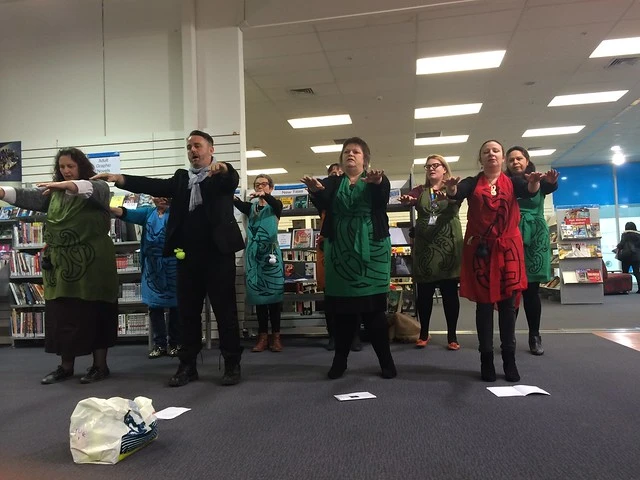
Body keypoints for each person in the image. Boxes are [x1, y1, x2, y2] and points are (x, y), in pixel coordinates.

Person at [92, 130, 245, 387]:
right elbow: (153, 185)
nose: (193, 151)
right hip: (186, 258)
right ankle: (187, 366)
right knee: (187, 315)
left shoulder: (219, 177)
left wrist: (225, 168)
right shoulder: (181, 178)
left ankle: (232, 364)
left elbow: (231, 180)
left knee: (225, 312)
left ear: (211, 149)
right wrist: (120, 178)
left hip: (218, 256)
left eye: (197, 146)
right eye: (189, 147)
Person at [0, 148, 118, 384]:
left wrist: (68, 185)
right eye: (62, 167)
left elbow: (86, 189)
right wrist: (2, 191)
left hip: (93, 265)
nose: (65, 171)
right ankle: (66, 367)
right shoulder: (54, 193)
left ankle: (99, 366)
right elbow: (28, 196)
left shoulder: (99, 188)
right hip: (61, 268)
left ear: (81, 167)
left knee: (96, 313)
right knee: (63, 314)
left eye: (70, 167)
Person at [444, 140, 548, 383]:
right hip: (481, 251)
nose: (491, 154)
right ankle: (486, 358)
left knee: (507, 305)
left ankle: (509, 360)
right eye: (486, 152)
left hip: (508, 250)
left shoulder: (514, 181)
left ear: (502, 159)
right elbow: (456, 194)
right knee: (483, 305)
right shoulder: (472, 182)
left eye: (495, 151)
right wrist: (450, 189)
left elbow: (529, 190)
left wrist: (534, 183)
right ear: (480, 159)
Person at [301, 137, 396, 379]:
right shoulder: (333, 182)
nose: (350, 155)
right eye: (346, 152)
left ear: (365, 159)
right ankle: (339, 363)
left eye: (355, 152)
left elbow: (381, 198)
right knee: (342, 312)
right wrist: (314, 190)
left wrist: (378, 182)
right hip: (339, 253)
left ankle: (386, 362)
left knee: (374, 313)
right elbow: (322, 202)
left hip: (372, 252)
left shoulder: (375, 179)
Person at [399, 154, 462, 350]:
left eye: (436, 165)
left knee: (450, 293)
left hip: (448, 247)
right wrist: (408, 200)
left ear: (444, 168)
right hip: (425, 247)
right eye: (428, 166)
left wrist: (451, 191)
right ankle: (423, 332)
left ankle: (452, 335)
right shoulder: (420, 191)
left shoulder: (453, 188)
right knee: (424, 294)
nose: (432, 169)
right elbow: (411, 199)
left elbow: (455, 199)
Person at [111, 197, 181, 358]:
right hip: (151, 268)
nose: (161, 199)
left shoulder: (178, 213)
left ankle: (176, 343)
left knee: (175, 307)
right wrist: (107, 207)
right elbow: (126, 213)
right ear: (152, 197)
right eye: (157, 196)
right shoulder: (147, 213)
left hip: (173, 266)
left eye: (165, 195)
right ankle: (159, 344)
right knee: (154, 307)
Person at [506, 146, 559, 355]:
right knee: (511, 290)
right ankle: (508, 336)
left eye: (519, 158)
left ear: (527, 160)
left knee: (531, 290)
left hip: (535, 237)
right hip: (512, 235)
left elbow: (550, 185)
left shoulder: (539, 180)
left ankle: (534, 336)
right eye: (511, 160)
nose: (515, 162)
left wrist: (552, 180)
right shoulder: (505, 182)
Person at [233, 174, 285, 352]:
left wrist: (264, 196)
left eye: (264, 184)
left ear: (271, 187)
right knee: (260, 299)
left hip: (271, 256)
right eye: (257, 185)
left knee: (274, 298)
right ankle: (263, 337)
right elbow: (237, 203)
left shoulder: (276, 205)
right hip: (254, 257)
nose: (261, 187)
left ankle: (276, 337)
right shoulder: (251, 207)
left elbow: (276, 204)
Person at [316, 162, 362, 352]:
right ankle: (333, 335)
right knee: (330, 295)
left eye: (339, 173)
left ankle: (354, 335)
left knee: (354, 292)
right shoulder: (326, 199)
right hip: (327, 244)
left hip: (350, 244)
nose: (335, 176)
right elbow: (320, 199)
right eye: (331, 174)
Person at [616, 221, 640, 292]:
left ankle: (625, 289)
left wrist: (618, 247)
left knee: (625, 273)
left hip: (626, 256)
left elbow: (622, 244)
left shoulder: (625, 234)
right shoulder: (638, 234)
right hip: (636, 257)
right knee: (637, 273)